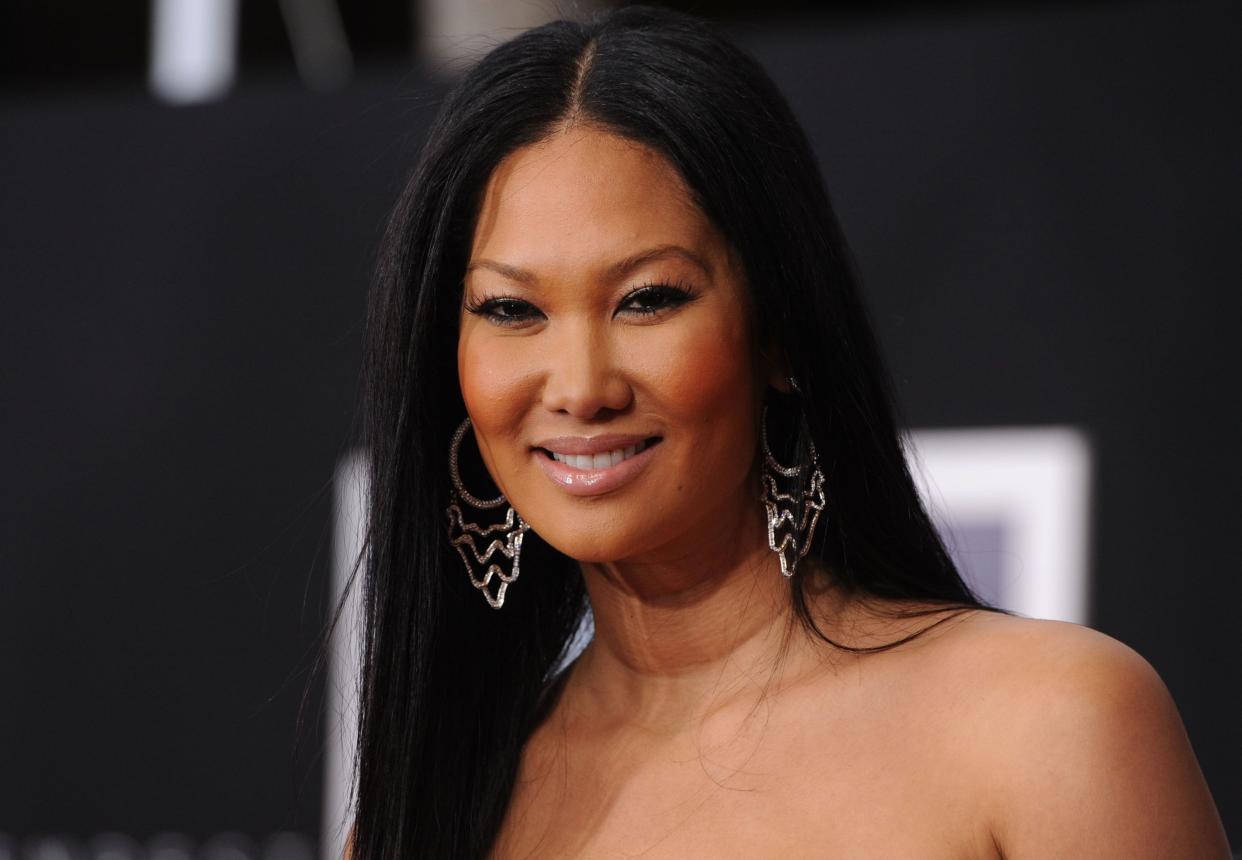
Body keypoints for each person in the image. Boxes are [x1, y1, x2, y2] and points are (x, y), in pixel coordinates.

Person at [341, 5, 1229, 857]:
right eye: (510, 308)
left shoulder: (1050, 724)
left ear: (780, 332)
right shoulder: (424, 813)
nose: (581, 387)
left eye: (648, 299)